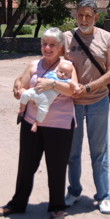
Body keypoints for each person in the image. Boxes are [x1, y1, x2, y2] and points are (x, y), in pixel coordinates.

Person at [0, 27, 78, 219]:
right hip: (31, 122)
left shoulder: (68, 66)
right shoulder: (33, 64)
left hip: (60, 124)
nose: (48, 48)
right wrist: (18, 90)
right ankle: (17, 204)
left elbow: (72, 91)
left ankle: (57, 207)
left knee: (57, 167)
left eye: (52, 44)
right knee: (26, 165)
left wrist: (52, 84)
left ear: (60, 47)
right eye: (45, 43)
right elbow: (21, 88)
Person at [63, 0, 110, 214]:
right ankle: (74, 191)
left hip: (98, 102)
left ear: (96, 16)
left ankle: (103, 196)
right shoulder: (67, 38)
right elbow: (53, 66)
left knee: (99, 151)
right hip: (71, 103)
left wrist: (87, 87)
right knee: (72, 152)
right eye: (80, 15)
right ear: (76, 17)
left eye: (88, 15)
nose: (83, 19)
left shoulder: (107, 38)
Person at [17, 61, 80, 132]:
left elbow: (73, 84)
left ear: (69, 75)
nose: (63, 75)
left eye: (66, 74)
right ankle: (22, 108)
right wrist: (40, 80)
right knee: (25, 94)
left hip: (47, 99)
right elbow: (42, 79)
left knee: (43, 110)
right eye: (61, 72)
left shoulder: (66, 80)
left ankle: (36, 123)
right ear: (57, 70)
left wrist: (77, 87)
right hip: (36, 92)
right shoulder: (51, 74)